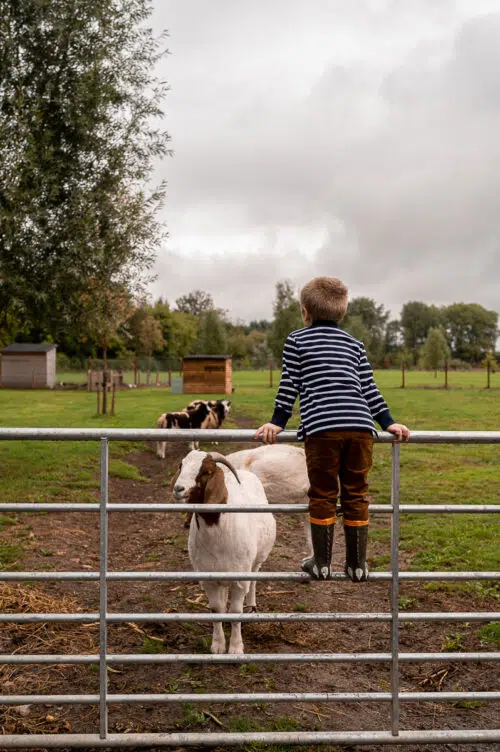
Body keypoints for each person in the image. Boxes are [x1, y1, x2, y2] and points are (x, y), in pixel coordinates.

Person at [254, 277, 410, 582]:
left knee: (323, 492)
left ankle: (322, 563)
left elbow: (289, 386)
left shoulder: (297, 341)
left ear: (305, 311)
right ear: (343, 310)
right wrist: (388, 421)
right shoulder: (355, 344)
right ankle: (357, 565)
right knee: (357, 493)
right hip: (361, 428)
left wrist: (277, 422)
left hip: (322, 429)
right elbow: (369, 388)